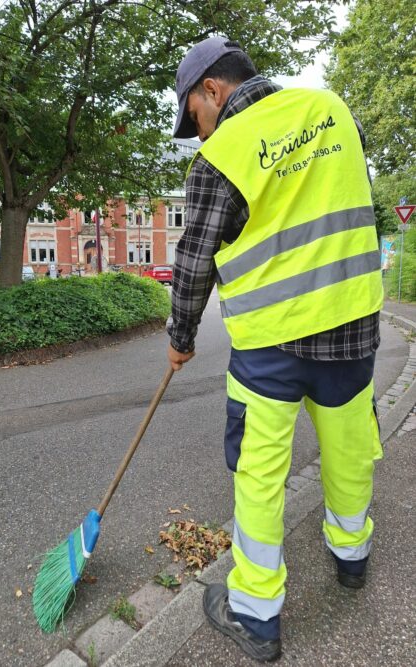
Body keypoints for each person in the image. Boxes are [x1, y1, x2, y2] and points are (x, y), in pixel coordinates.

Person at [167, 36, 383, 662]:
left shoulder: (221, 158)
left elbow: (194, 261)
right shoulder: (333, 110)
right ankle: (351, 560)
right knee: (348, 451)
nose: (199, 133)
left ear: (213, 89)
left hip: (272, 350)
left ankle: (255, 615)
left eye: (195, 117)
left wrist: (181, 340)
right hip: (353, 331)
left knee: (260, 476)